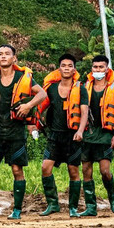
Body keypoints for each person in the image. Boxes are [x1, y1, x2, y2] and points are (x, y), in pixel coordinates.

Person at [0, 44, 44, 219]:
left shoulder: (23, 78)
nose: (3, 56)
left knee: (16, 170)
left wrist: (28, 105)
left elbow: (42, 94)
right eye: (0, 54)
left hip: (15, 131)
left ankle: (17, 210)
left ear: (14, 58)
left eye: (7, 54)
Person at [26, 54, 82, 216]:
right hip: (54, 136)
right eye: (63, 65)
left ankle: (73, 208)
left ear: (74, 69)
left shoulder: (80, 89)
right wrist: (33, 124)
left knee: (73, 171)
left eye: (69, 65)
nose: (66, 68)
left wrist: (80, 131)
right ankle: (52, 204)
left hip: (73, 137)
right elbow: (40, 107)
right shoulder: (50, 88)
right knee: (45, 167)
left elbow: (85, 111)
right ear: (59, 69)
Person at [72, 54, 114, 217]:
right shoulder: (84, 87)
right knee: (86, 169)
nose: (98, 70)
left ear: (107, 69)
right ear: (91, 69)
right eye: (95, 67)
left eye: (101, 67)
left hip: (105, 134)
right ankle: (91, 206)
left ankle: (112, 196)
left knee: (105, 170)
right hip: (88, 132)